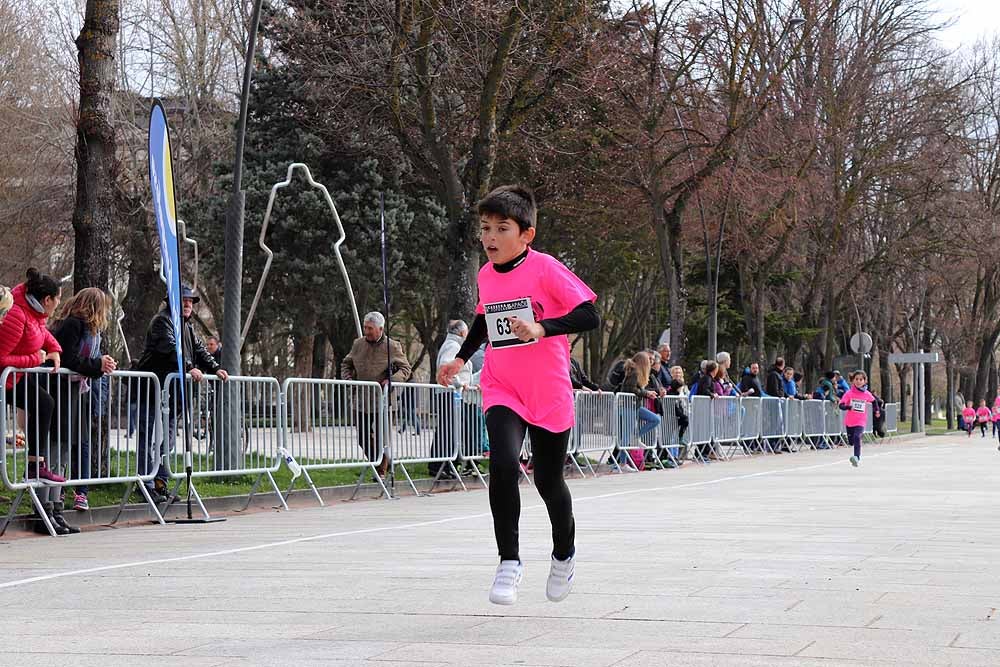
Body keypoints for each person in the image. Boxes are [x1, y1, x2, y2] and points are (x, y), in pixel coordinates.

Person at [437, 185, 599, 606]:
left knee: (548, 482)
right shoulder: (486, 275)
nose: (490, 237)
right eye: (485, 228)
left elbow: (589, 313)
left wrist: (543, 328)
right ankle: (509, 560)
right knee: (504, 464)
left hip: (547, 390)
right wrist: (461, 359)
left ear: (526, 234)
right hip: (502, 385)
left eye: (501, 228)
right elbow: (483, 318)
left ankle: (564, 553)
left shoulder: (545, 269)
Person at [135, 285, 229, 502]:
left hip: (172, 395)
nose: (188, 305)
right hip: (152, 390)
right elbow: (169, 348)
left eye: (190, 302)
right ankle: (145, 483)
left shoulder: (188, 327)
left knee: (168, 440)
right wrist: (189, 367)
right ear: (171, 301)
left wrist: (215, 368)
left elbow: (199, 349)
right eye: (184, 301)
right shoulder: (162, 321)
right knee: (147, 438)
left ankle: (160, 482)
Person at [0, 269, 67, 534]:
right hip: (6, 378)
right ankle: (34, 466)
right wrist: (36, 360)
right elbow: (1, 357)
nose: (59, 303)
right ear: (48, 299)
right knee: (43, 403)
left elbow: (42, 332)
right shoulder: (17, 314)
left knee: (45, 403)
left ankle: (35, 465)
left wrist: (54, 349)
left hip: (17, 375)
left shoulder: (33, 311)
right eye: (59, 299)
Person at [49, 288, 118, 525]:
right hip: (61, 391)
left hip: (76, 391)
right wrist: (98, 364)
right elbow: (69, 359)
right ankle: (50, 507)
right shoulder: (73, 325)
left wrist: (101, 366)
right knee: (57, 449)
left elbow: (84, 363)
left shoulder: (91, 331)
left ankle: (56, 506)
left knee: (67, 447)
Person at [342, 311, 412, 477]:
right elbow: (346, 363)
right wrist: (348, 379)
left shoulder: (392, 346)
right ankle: (378, 461)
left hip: (384, 400)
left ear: (380, 329)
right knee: (362, 437)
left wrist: (392, 380)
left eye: (370, 328)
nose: (367, 331)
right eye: (365, 327)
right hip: (361, 399)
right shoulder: (358, 344)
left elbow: (405, 368)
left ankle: (381, 470)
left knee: (382, 438)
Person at [429, 319, 475, 479]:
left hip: (451, 394)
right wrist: (459, 384)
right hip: (450, 394)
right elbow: (445, 367)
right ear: (462, 333)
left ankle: (446, 464)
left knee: (449, 429)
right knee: (447, 429)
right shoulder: (453, 347)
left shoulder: (452, 345)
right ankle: (439, 464)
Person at [619, 352, 661, 464]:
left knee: (655, 419)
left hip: (635, 406)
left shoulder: (636, 373)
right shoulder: (634, 373)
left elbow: (635, 389)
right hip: (627, 406)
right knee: (626, 437)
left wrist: (647, 392)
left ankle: (636, 437)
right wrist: (646, 393)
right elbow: (631, 389)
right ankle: (622, 463)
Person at [839, 370, 878, 467]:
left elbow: (874, 401)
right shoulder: (849, 393)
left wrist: (876, 410)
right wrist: (848, 407)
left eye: (861, 379)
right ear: (853, 380)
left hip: (860, 421)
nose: (858, 381)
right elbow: (841, 405)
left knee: (857, 437)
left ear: (865, 381)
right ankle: (854, 449)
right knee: (851, 441)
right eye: (856, 379)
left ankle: (856, 457)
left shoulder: (866, 394)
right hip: (849, 422)